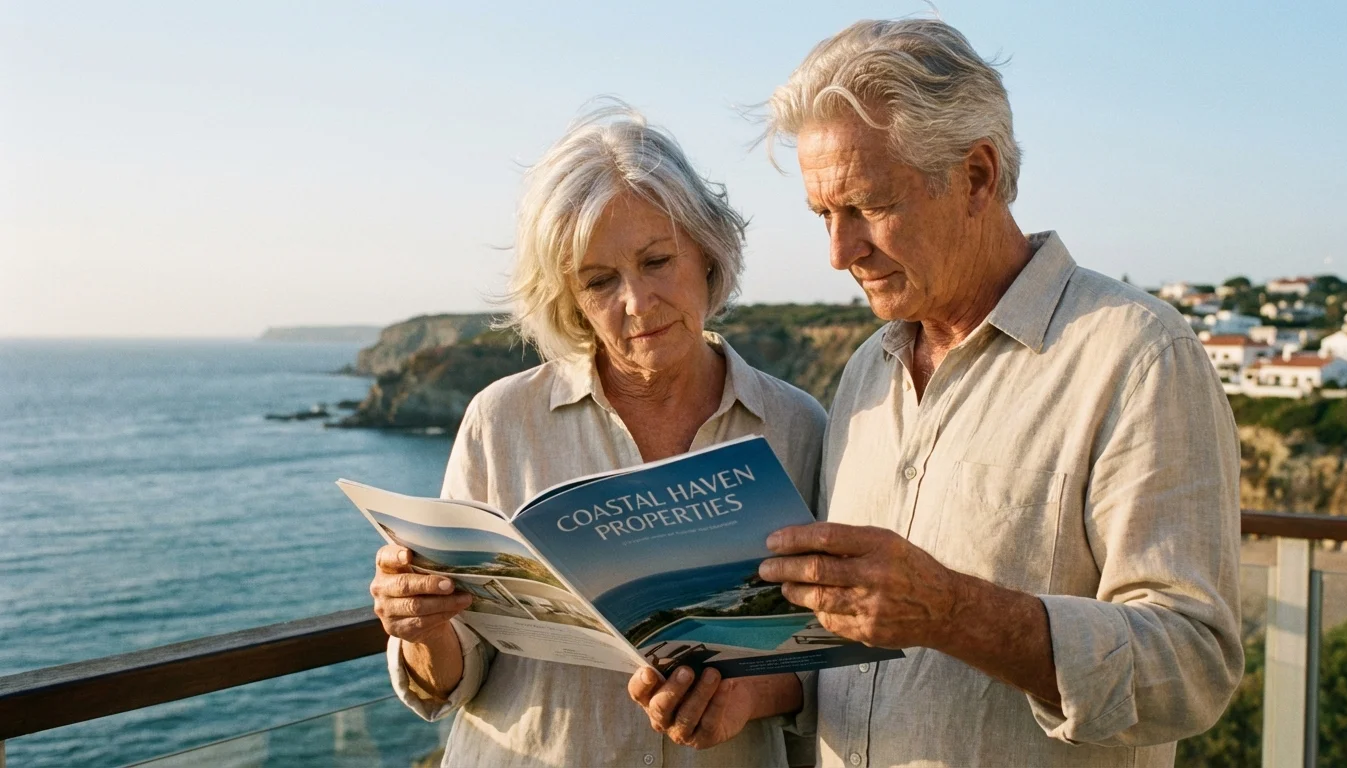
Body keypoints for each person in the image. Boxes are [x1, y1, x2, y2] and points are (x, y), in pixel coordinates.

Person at [643, 18, 1245, 767]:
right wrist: (761, 691)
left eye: (867, 206)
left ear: (978, 176)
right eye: (824, 216)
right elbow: (862, 652)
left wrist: (955, 612)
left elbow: (1193, 668)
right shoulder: (868, 369)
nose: (840, 252)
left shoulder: (1138, 355)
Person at [368, 105, 826, 768]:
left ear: (707, 251)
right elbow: (450, 678)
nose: (636, 303)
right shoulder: (502, 422)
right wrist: (420, 628)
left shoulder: (796, 426)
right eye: (600, 280)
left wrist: (753, 697)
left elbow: (845, 657)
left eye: (657, 260)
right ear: (568, 297)